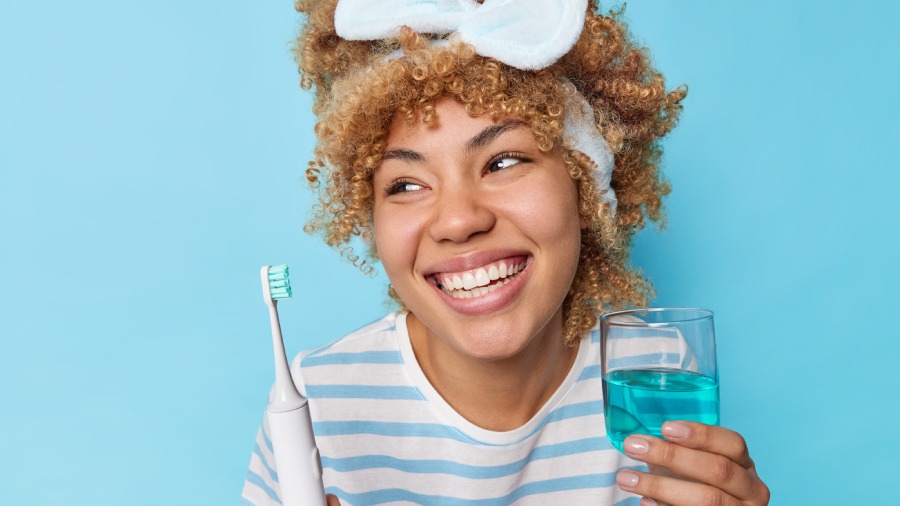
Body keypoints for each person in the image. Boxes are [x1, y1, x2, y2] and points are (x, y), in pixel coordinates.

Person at [243, 0, 770, 504]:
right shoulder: (314, 401)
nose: (458, 221)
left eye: (502, 162)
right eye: (405, 185)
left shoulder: (655, 375)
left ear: (586, 184)